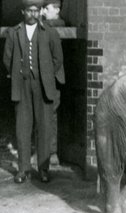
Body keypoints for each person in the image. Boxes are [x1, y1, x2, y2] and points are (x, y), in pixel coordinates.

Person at [2, 0, 64, 183]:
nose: (33, 14)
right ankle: (23, 169)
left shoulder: (50, 33)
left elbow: (57, 59)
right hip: (21, 85)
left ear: (40, 12)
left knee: (44, 128)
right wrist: (17, 74)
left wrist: (46, 74)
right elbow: (7, 59)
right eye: (29, 10)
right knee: (22, 128)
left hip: (43, 86)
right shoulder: (14, 33)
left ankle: (43, 169)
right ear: (23, 11)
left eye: (36, 11)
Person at [41, 0, 66, 165]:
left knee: (51, 115)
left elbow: (57, 23)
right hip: (39, 77)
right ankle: (41, 152)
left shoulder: (58, 24)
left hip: (52, 78)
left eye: (58, 8)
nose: (57, 11)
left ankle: (52, 152)